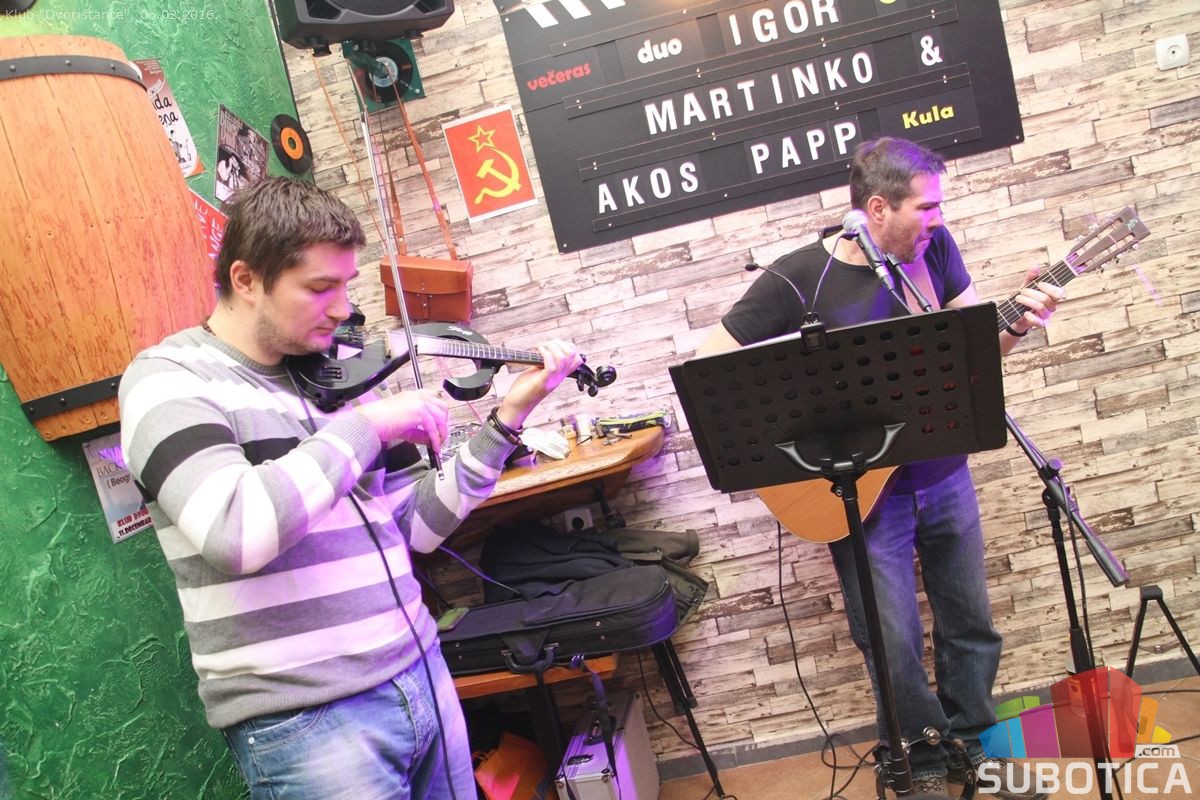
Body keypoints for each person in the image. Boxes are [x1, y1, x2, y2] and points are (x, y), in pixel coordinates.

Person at [118, 176, 583, 800]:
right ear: (246, 279)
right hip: (309, 720)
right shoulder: (167, 380)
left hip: (419, 668)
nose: (342, 309)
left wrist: (506, 421)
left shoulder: (336, 373)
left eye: (346, 285)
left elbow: (417, 527)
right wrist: (369, 426)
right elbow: (235, 531)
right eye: (320, 288)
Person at [696, 137, 1065, 798]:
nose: (938, 220)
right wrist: (795, 438)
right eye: (927, 208)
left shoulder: (937, 252)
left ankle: (977, 745)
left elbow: (974, 349)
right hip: (862, 495)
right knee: (892, 638)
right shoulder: (798, 278)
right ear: (876, 208)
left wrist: (1017, 325)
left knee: (971, 624)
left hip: (944, 475)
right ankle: (921, 757)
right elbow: (710, 368)